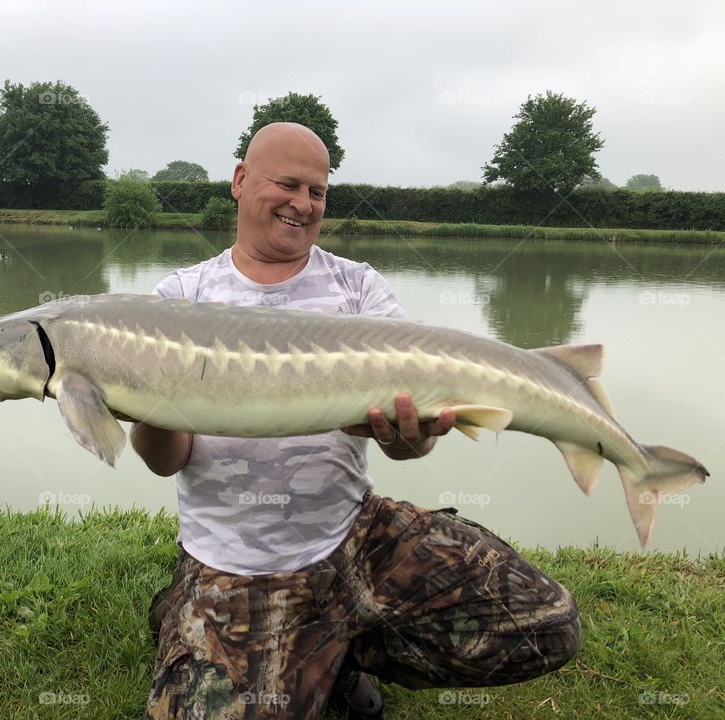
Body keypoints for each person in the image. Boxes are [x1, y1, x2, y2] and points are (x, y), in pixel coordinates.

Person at [131, 122, 580, 719]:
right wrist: (146, 400)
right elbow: (165, 460)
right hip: (236, 560)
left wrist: (413, 436)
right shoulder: (179, 298)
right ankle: (228, 626)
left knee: (546, 625)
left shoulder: (358, 288)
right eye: (287, 184)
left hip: (352, 533)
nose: (303, 204)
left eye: (317, 192)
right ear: (240, 181)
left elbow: (404, 450)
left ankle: (338, 650)